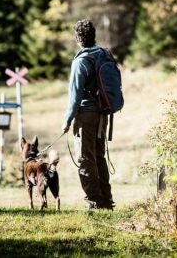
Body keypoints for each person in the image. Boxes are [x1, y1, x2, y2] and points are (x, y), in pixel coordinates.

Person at [62, 18, 114, 210]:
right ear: (93, 36)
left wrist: (67, 120)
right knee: (99, 156)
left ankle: (93, 201)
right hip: (103, 114)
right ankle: (106, 200)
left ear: (77, 39)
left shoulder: (80, 62)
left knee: (86, 158)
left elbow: (75, 97)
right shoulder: (104, 54)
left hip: (85, 116)